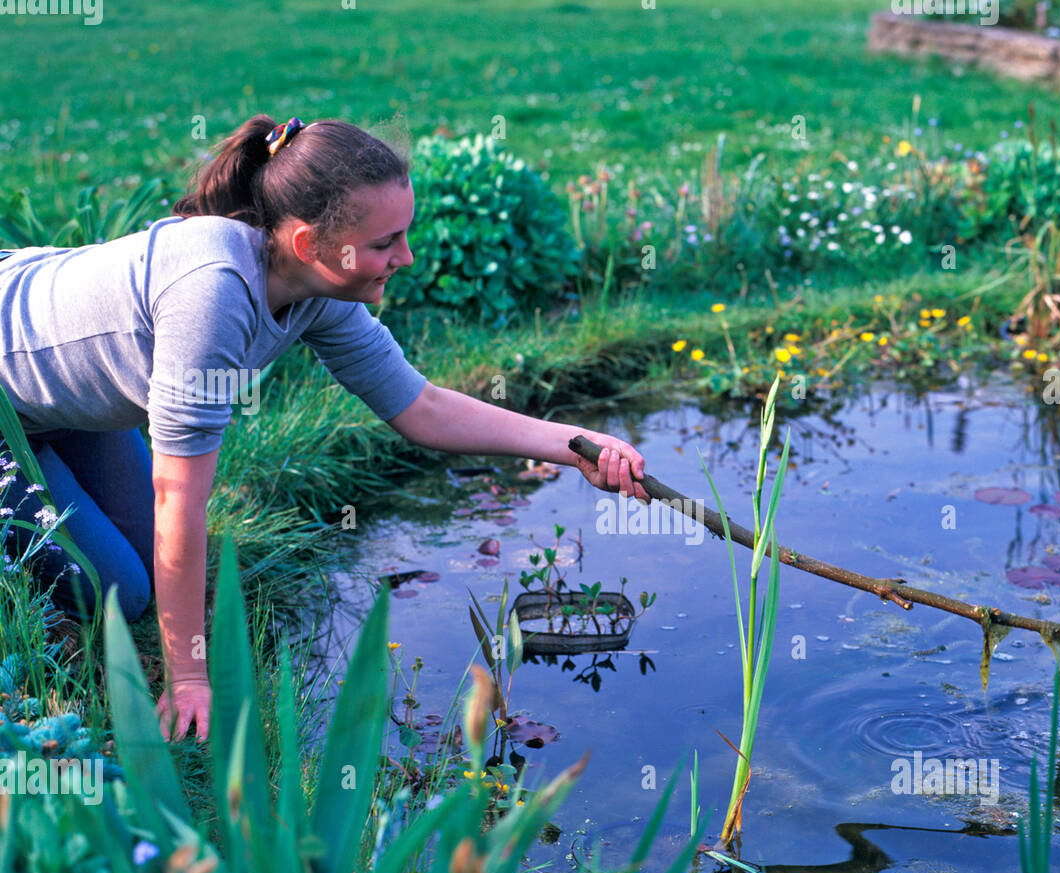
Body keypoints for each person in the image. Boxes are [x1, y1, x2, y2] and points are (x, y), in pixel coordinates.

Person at [0, 115, 650, 743]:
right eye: (384, 243)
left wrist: (571, 446)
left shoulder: (310, 285)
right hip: (8, 400)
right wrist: (189, 673)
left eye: (405, 233)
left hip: (59, 404)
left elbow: (420, 407)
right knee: (120, 586)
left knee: (138, 577)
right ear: (311, 242)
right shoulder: (214, 296)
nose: (407, 256)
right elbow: (179, 497)